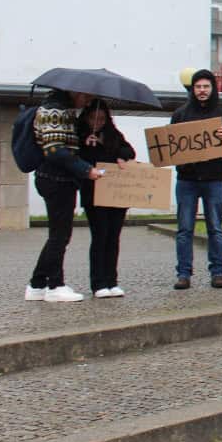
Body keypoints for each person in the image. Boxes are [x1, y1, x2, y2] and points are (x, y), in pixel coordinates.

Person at [25, 87, 102, 302]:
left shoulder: (63, 111)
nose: (87, 102)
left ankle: (37, 283)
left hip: (61, 180)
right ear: (75, 93)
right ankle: (54, 285)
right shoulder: (54, 111)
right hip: (55, 180)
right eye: (87, 96)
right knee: (60, 235)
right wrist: (86, 170)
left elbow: (63, 145)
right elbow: (55, 150)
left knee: (58, 234)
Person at [171, 70, 222, 290]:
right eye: (198, 87)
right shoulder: (180, 114)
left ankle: (218, 272)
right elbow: (171, 147)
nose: (202, 91)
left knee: (216, 228)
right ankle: (183, 274)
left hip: (213, 179)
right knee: (184, 229)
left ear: (212, 88)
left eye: (206, 86)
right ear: (192, 89)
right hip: (187, 179)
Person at [77, 100, 136, 298]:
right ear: (86, 118)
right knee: (100, 237)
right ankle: (98, 282)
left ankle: (112, 280)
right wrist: (86, 146)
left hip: (115, 194)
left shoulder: (113, 134)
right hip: (93, 194)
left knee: (113, 238)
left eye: (102, 118)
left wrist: (117, 153)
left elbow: (129, 151)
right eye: (94, 118)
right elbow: (76, 161)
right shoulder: (79, 134)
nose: (98, 122)